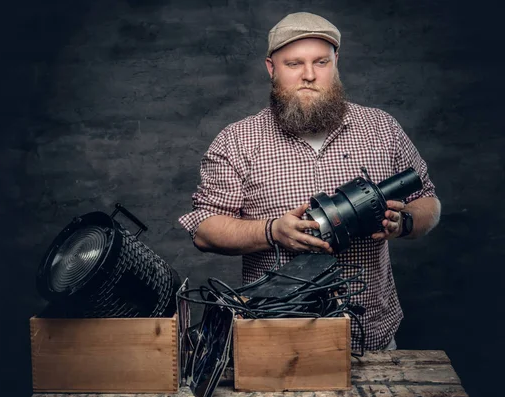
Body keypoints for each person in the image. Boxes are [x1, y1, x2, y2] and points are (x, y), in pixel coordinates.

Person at [178, 12, 441, 351]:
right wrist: (272, 232)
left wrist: (403, 222)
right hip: (276, 339)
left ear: (336, 62)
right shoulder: (237, 140)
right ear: (272, 68)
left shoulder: (381, 129)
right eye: (294, 64)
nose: (309, 75)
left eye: (321, 62)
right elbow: (203, 230)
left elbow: (428, 201)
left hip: (370, 340)